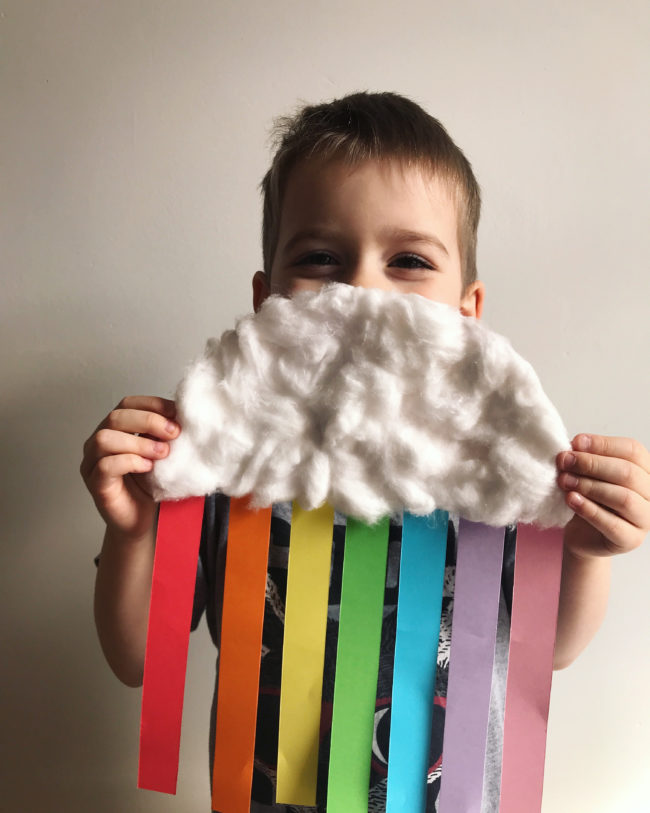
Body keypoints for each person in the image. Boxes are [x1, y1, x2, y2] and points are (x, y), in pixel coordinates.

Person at [80, 92, 650, 812]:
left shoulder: (494, 476)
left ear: (469, 313)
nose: (362, 293)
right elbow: (137, 657)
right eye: (321, 258)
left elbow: (550, 647)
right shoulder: (225, 468)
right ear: (266, 301)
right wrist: (131, 530)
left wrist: (587, 551)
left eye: (408, 259)